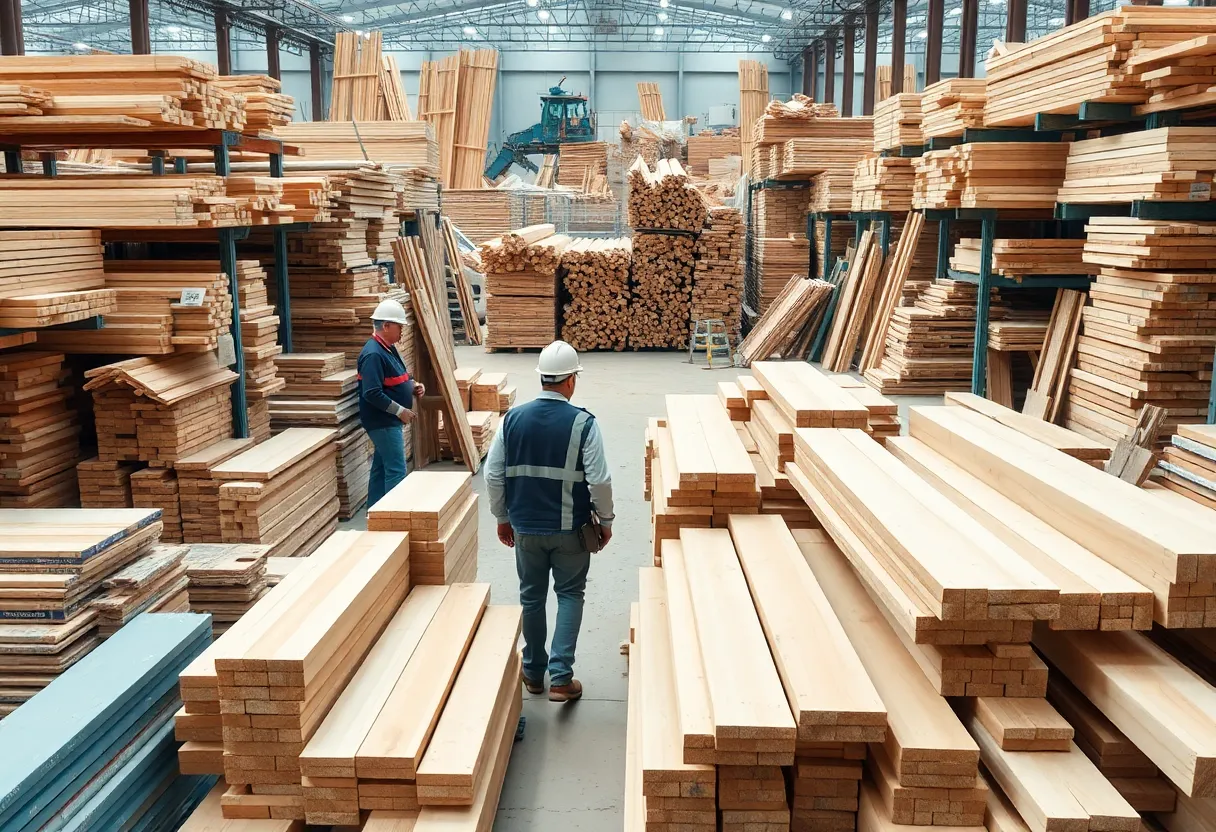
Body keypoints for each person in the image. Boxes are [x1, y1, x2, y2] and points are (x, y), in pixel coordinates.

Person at [484, 340, 614, 703]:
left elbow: (494, 475)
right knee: (570, 594)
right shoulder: (583, 423)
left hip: (525, 529)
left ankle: (533, 673)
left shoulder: (512, 420)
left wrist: (502, 517)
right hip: (571, 529)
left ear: (541, 377)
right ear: (571, 380)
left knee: (532, 598)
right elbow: (599, 480)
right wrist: (605, 520)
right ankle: (561, 678)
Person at [358, 299, 425, 508]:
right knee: (396, 469)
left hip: (388, 421)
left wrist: (412, 385)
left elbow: (397, 377)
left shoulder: (387, 348)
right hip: (383, 421)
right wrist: (400, 411)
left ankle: (374, 511)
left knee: (380, 468)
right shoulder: (372, 354)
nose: (402, 332)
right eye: (399, 327)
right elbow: (371, 393)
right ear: (386, 326)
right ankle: (394, 519)